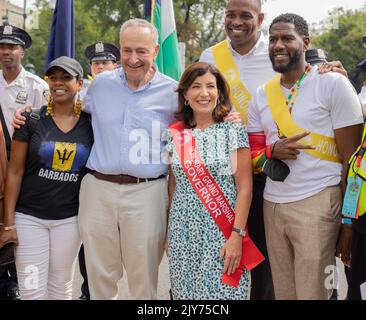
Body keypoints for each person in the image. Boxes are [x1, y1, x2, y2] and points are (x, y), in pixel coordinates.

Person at [247, 13, 363, 300]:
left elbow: (354, 163)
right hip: (273, 204)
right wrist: (271, 153)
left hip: (319, 200)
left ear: (305, 42)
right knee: (283, 293)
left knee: (315, 293)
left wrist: (348, 222)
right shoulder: (262, 94)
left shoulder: (333, 84)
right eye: (273, 39)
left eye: (287, 38)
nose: (278, 45)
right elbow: (252, 154)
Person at [76, 19, 178, 300]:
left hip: (148, 191)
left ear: (155, 50)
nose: (133, 59)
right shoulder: (99, 86)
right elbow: (64, 106)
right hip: (98, 189)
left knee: (143, 278)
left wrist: (227, 114)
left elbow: (202, 119)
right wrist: (27, 113)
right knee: (98, 276)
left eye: (141, 51)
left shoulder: (174, 93)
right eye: (126, 50)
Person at [199, 0, 275, 300]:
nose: (237, 22)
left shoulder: (275, 55)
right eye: (231, 15)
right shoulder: (210, 55)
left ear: (260, 18)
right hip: (219, 174)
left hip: (263, 172)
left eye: (245, 15)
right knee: (219, 257)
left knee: (260, 261)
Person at [0, 56, 93, 300]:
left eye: (66, 78)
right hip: (29, 218)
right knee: (31, 290)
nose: (58, 83)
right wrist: (8, 223)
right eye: (53, 77)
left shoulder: (91, 124)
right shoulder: (31, 121)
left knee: (60, 288)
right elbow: (15, 171)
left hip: (69, 220)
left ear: (80, 83)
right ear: (47, 82)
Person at [166, 62, 255, 299]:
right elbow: (173, 185)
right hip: (182, 231)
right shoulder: (174, 134)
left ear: (219, 93)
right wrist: (168, 233)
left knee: (223, 294)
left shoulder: (233, 131)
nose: (204, 93)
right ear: (185, 94)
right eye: (196, 86)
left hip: (221, 231)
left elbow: (245, 188)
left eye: (210, 86)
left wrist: (237, 235)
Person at [0, 24, 48, 300]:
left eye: (12, 47)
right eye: (2, 47)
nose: (6, 52)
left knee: (18, 217)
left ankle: (17, 279)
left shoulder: (36, 87)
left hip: (23, 160)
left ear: (22, 51)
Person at [77, 41, 120, 301]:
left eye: (106, 62)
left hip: (115, 174)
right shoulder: (83, 93)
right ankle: (87, 291)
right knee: (90, 240)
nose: (101, 67)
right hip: (87, 173)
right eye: (96, 63)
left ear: (116, 65)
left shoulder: (124, 91)